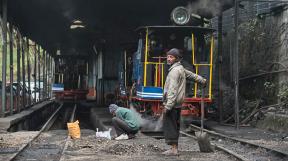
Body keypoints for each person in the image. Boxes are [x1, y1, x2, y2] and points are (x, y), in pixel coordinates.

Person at [162, 48, 206, 155]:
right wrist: (202, 80)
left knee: (170, 126)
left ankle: (174, 149)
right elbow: (191, 75)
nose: (168, 58)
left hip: (172, 104)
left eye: (171, 57)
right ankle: (174, 148)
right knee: (175, 125)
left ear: (176, 59)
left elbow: (172, 90)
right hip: (178, 103)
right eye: (168, 56)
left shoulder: (174, 72)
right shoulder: (180, 68)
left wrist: (168, 106)